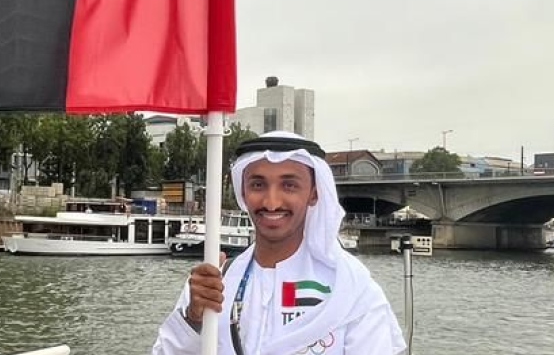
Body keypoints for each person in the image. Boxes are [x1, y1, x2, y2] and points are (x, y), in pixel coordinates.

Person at [152, 131, 406, 355]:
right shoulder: (215, 281)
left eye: (289, 185)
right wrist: (193, 319)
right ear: (243, 192)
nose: (271, 202)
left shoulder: (352, 288)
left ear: (314, 193)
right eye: (258, 184)